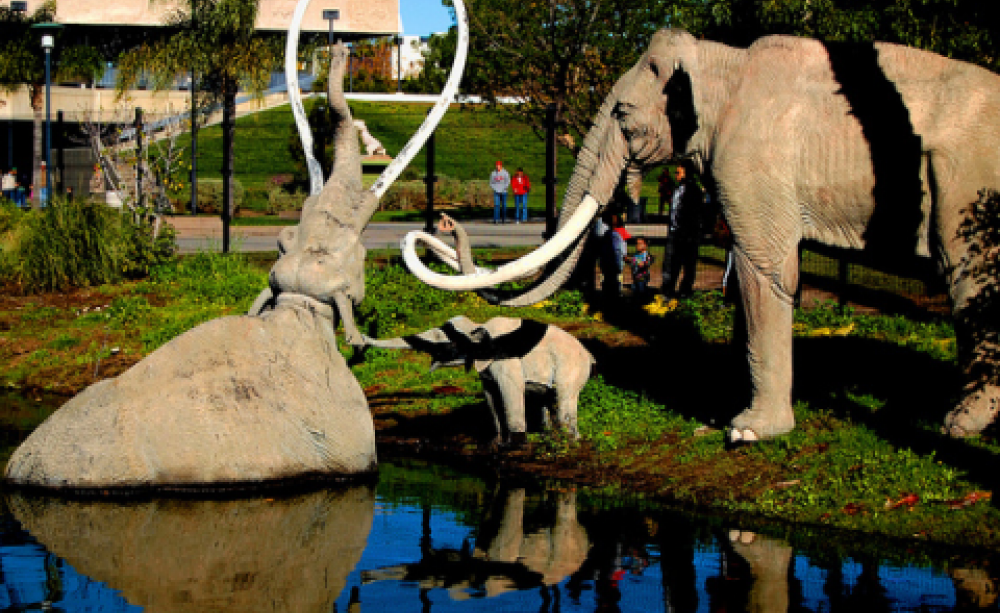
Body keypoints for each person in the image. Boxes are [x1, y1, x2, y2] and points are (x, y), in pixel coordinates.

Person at [661, 162, 704, 298]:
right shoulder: (677, 189)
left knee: (688, 263)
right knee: (671, 262)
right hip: (674, 232)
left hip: (688, 234)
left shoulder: (693, 191)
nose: (676, 175)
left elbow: (694, 214)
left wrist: (690, 232)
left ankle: (685, 290)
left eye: (678, 173)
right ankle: (668, 289)